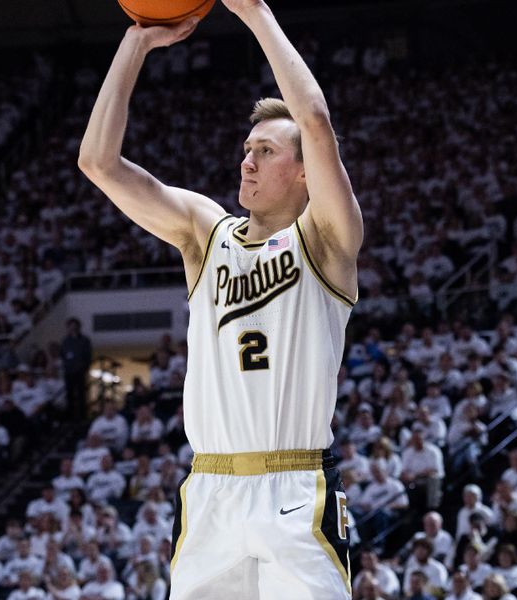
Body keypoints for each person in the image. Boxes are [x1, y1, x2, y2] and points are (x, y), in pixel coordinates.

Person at [79, 0, 363, 597]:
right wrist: (136, 43)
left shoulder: (328, 237)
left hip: (296, 487)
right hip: (210, 490)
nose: (248, 160)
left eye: (266, 150)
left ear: (305, 169)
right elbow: (98, 162)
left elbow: (313, 117)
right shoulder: (205, 232)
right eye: (246, 148)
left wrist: (256, 12)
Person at [60, 317, 92, 420]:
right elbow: (63, 356)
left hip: (80, 372)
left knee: (81, 395)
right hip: (69, 372)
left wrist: (83, 368)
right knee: (70, 395)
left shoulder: (85, 340)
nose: (73, 328)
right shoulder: (65, 341)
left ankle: (83, 417)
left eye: (75, 326)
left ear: (78, 327)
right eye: (70, 326)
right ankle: (70, 418)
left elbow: (88, 356)